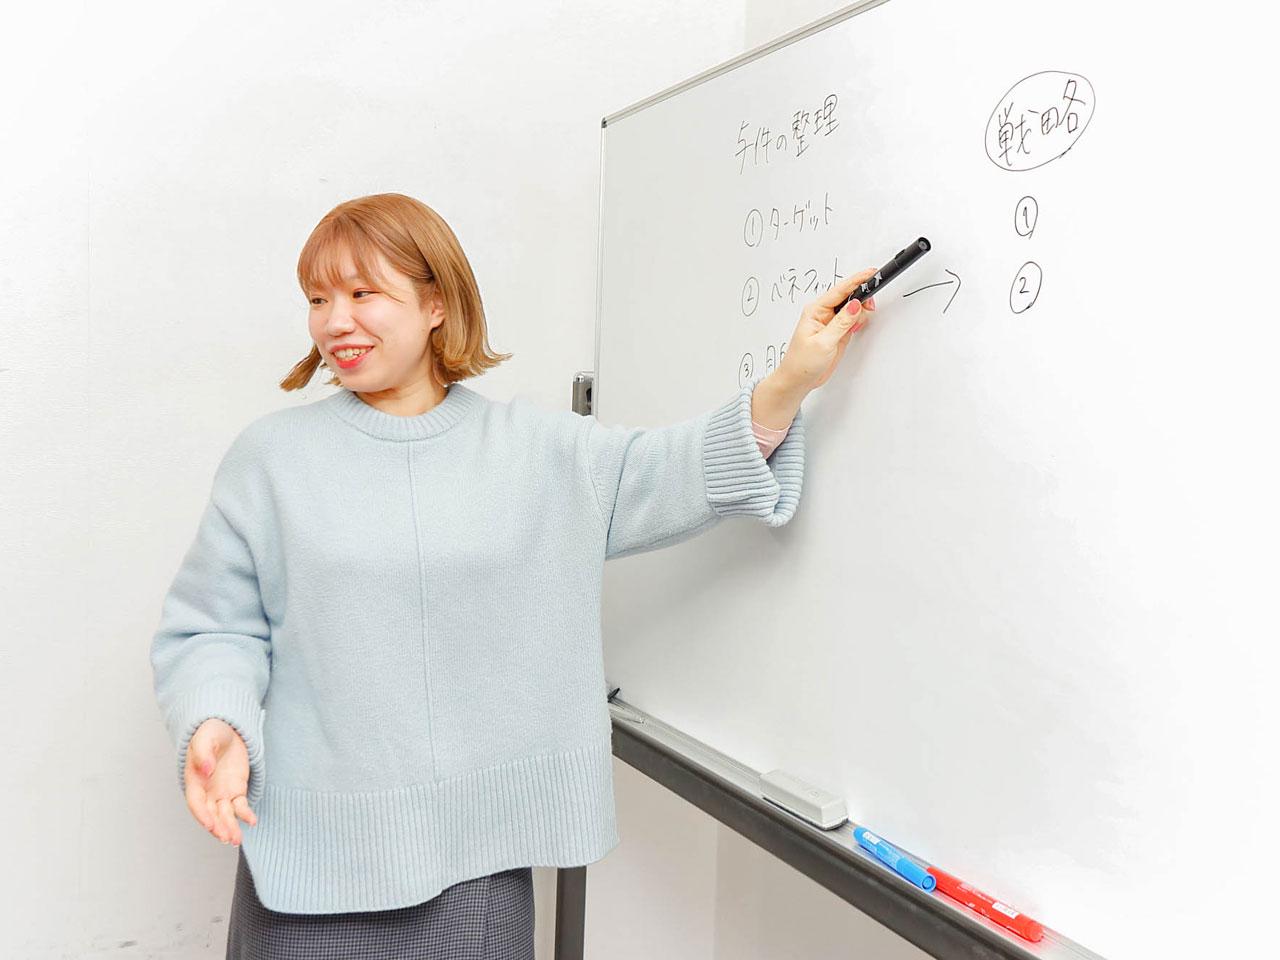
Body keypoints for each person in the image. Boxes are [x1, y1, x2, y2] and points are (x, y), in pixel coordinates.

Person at [149, 192, 877, 959]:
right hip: (311, 860)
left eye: (364, 293)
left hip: (479, 867)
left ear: (435, 302)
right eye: (319, 298)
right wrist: (217, 720)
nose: (336, 321)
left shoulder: (536, 450)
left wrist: (792, 379)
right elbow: (213, 625)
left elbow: (677, 471)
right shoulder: (270, 459)